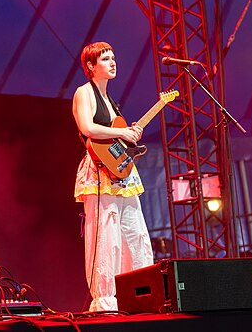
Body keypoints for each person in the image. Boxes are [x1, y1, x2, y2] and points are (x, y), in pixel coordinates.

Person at [72, 41, 154, 311]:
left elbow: (113, 134)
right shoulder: (84, 92)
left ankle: (142, 293)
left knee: (135, 233)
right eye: (105, 58)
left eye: (113, 57)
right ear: (91, 66)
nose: (112, 62)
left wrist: (129, 134)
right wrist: (121, 133)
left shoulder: (111, 100)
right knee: (106, 237)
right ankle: (106, 301)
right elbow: (87, 127)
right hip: (99, 173)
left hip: (121, 173)